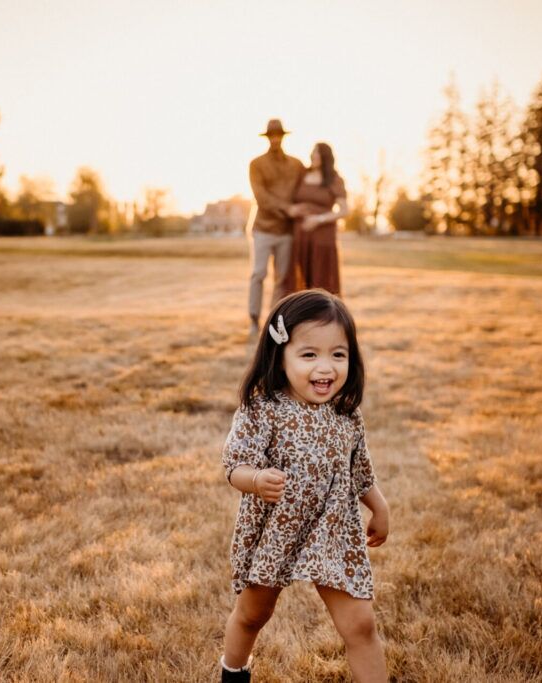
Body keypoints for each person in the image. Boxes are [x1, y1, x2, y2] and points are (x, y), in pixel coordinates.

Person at [218, 289, 390, 683]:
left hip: (333, 531)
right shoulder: (264, 409)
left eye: (338, 354)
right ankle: (233, 672)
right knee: (252, 614)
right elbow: (234, 466)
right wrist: (257, 480)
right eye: (309, 354)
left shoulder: (346, 414)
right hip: (278, 530)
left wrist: (378, 506)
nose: (325, 368)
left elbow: (359, 470)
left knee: (360, 624)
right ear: (280, 355)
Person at [247, 119, 305, 337]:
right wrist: (288, 209)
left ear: (283, 137)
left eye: (278, 135)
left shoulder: (296, 165)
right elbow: (261, 197)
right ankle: (254, 319)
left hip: (287, 232)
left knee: (282, 279)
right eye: (271, 135)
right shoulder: (256, 164)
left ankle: (274, 323)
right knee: (258, 273)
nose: (275, 139)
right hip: (263, 228)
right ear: (267, 137)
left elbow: (309, 185)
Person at [287, 142, 349, 295]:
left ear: (325, 157)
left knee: (321, 279)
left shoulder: (334, 179)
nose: (313, 155)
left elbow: (344, 210)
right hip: (300, 236)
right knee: (300, 280)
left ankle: (324, 315)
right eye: (312, 152)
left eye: (317, 152)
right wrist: (292, 209)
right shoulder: (302, 175)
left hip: (322, 237)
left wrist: (318, 219)